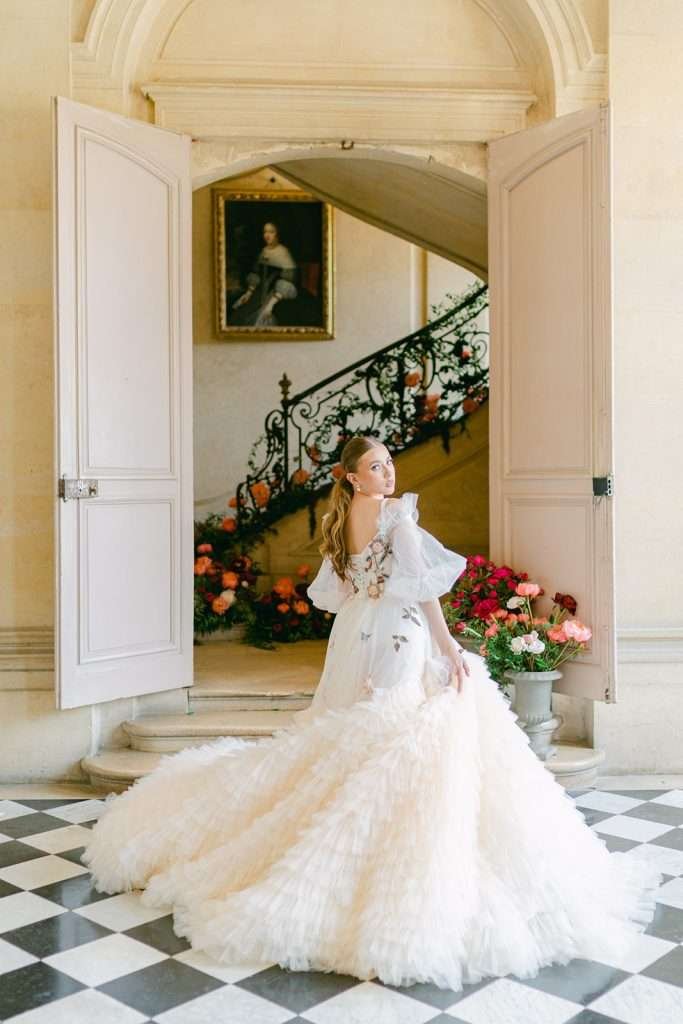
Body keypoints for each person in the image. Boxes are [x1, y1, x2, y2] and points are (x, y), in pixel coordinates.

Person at [82, 435, 662, 993]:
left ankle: (353, 823)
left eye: (389, 463)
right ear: (354, 478)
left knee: (360, 729)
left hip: (354, 631)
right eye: (378, 466)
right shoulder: (395, 517)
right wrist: (449, 647)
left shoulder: (342, 520)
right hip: (398, 634)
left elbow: (345, 589)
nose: (389, 472)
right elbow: (423, 589)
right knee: (393, 727)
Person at [228, 220, 297, 327]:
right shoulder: (264, 251)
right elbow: (256, 274)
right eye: (265, 232)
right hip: (260, 292)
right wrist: (248, 293)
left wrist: (270, 306)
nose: (267, 235)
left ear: (278, 233)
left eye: (271, 232)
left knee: (260, 319)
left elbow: (288, 282)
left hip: (277, 297)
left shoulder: (283, 252)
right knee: (240, 315)